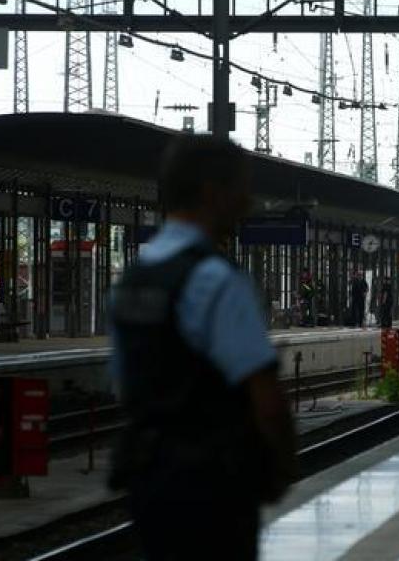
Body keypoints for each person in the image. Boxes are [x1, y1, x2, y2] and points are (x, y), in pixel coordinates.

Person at [109, 136, 297, 560]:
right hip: (213, 485)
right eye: (241, 189)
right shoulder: (214, 280)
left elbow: (124, 386)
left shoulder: (132, 282)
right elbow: (265, 396)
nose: (248, 202)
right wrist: (280, 469)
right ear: (214, 192)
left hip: (148, 480)